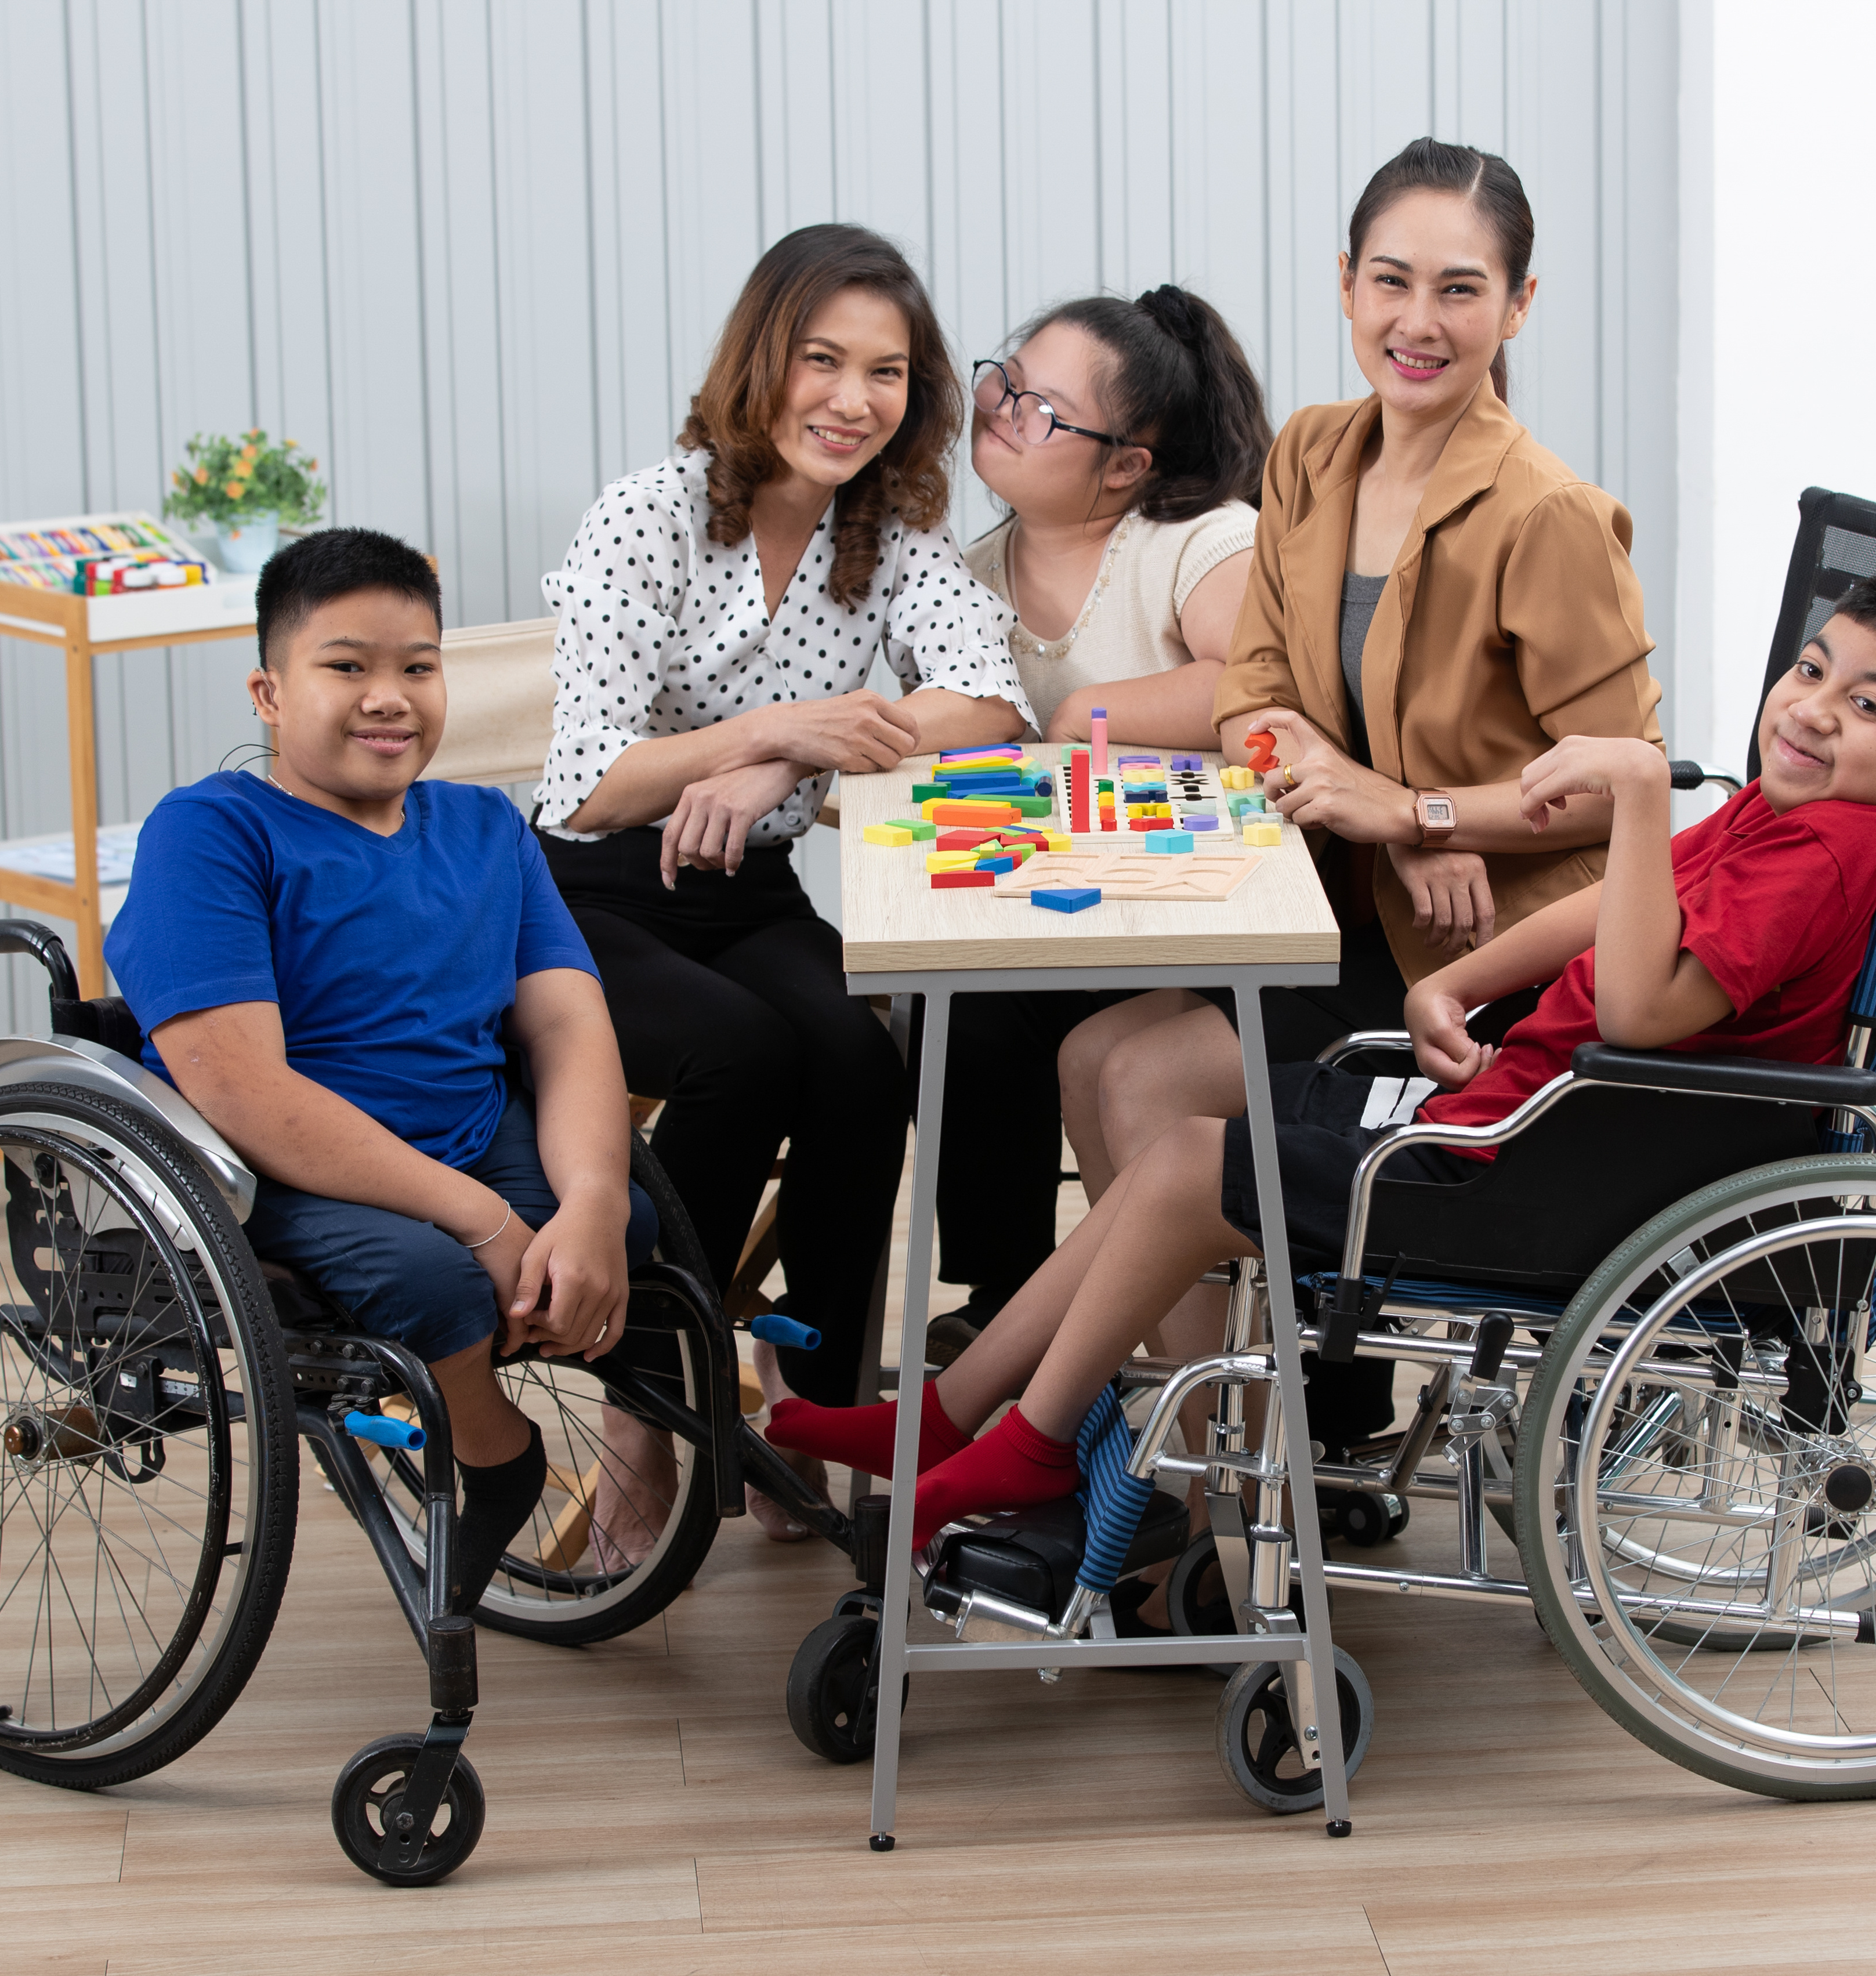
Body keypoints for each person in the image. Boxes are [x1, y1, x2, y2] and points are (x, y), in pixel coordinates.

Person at [762, 567, 1876, 1546]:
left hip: (1545, 1172)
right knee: (1179, 1152)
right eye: (1809, 669)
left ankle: (1018, 1436)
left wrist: (1632, 789)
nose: (1811, 708)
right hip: (1520, 1119)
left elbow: (1636, 1006)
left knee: (1191, 1159)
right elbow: (1640, 902)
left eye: (1867, 704)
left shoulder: (1822, 853)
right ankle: (950, 1413)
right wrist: (1458, 975)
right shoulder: (1785, 816)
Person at [1055, 135, 1667, 1465]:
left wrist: (1420, 815)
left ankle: (1225, 1466)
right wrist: (1373, 800)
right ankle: (1208, 1426)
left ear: (1517, 305)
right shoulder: (1315, 456)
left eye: (1460, 289)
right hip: (1346, 906)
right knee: (1083, 1056)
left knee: (1148, 1076)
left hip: (1487, 961)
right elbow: (1254, 690)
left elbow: (1622, 786)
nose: (1419, 321)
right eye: (1390, 281)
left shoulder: (1549, 515)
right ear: (1343, 285)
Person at [536, 223, 1031, 1534]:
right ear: (765, 360)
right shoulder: (648, 514)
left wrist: (785, 771)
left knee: (861, 1061)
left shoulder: (891, 539)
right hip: (586, 891)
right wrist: (781, 729)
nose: (851, 400)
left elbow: (989, 704)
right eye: (823, 359)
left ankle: (806, 1390)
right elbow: (587, 783)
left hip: (746, 896)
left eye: (885, 372)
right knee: (741, 1055)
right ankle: (644, 1405)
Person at [108, 526, 662, 1613]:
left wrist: (590, 1199)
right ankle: (494, 1452)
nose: (389, 696)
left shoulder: (483, 825)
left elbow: (565, 1025)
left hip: (457, 1118)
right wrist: (482, 1221)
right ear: (269, 693)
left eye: (417, 666)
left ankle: (489, 1345)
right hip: (274, 1163)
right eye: (347, 666)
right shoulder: (213, 833)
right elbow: (241, 1090)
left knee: (623, 1225)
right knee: (432, 1277)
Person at [929, 285, 1273, 1353]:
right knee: (957, 1021)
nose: (1000, 407)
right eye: (1005, 378)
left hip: (1188, 919)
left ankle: (1123, 1340)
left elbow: (1255, 686)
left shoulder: (1195, 542)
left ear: (1125, 464)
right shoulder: (965, 578)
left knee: (1072, 1040)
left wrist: (1090, 714)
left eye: (1042, 406)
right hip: (1055, 910)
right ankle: (1012, 1301)